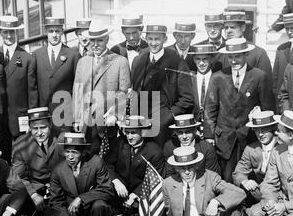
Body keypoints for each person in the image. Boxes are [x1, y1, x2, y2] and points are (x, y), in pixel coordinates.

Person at [204, 38, 275, 183]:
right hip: (224, 139)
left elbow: (268, 108)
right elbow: (210, 108)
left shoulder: (259, 76)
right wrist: (209, 136)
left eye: (237, 56)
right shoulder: (218, 77)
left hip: (249, 138)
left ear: (246, 54)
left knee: (250, 178)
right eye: (230, 56)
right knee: (227, 178)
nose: (233, 60)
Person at [163, 146, 245, 216]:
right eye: (182, 168)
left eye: (190, 167)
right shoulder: (168, 184)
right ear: (176, 168)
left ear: (196, 165)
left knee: (232, 206)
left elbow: (238, 193)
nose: (187, 172)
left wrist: (216, 201)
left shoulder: (209, 177)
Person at [72, 20, 131, 153]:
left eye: (100, 40)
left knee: (107, 162)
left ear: (107, 39)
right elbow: (77, 92)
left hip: (107, 123)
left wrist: (115, 114)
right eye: (92, 41)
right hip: (85, 124)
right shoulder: (83, 62)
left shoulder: (120, 61)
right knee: (87, 159)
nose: (95, 45)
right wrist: (76, 119)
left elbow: (124, 92)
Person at [131, 24, 194, 147]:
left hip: (165, 126)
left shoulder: (177, 63)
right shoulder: (138, 61)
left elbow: (187, 99)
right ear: (146, 39)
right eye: (150, 39)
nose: (153, 43)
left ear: (165, 39)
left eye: (157, 39)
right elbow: (134, 92)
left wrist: (167, 117)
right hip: (141, 123)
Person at [0, 15, 37, 162]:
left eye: (12, 32)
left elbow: (32, 92)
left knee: (20, 158)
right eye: (5, 32)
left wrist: (31, 120)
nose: (9, 36)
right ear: (0, 33)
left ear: (17, 33)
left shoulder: (27, 58)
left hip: (19, 119)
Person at [45, 132, 115, 216]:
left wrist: (81, 198)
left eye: (74, 152)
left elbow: (107, 189)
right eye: (67, 152)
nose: (70, 157)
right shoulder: (58, 169)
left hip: (92, 207)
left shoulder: (96, 162)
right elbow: (56, 200)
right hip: (72, 211)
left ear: (83, 152)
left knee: (100, 206)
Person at [106, 115, 164, 214]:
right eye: (127, 132)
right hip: (119, 189)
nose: (129, 137)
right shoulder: (119, 143)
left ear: (143, 132)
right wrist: (116, 181)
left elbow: (154, 178)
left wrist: (135, 194)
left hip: (142, 192)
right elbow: (107, 165)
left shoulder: (154, 151)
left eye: (133, 133)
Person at [12, 107, 63, 213]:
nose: (39, 133)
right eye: (35, 128)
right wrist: (33, 194)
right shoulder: (20, 145)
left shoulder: (61, 138)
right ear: (29, 128)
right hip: (36, 188)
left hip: (61, 187)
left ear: (50, 125)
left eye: (43, 127)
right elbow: (19, 177)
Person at [33, 17, 79, 124]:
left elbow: (77, 87)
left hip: (64, 113)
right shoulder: (36, 55)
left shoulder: (73, 55)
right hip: (43, 113)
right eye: (51, 31)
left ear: (62, 32)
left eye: (57, 31)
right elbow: (33, 86)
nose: (54, 35)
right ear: (46, 33)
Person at [232, 110, 279, 205]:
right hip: (257, 192)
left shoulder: (281, 147)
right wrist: (245, 181)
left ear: (273, 128)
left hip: (278, 193)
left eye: (264, 129)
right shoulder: (251, 148)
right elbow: (238, 173)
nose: (260, 134)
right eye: (257, 130)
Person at [217, 11, 273, 81]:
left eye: (232, 27)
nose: (228, 31)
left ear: (243, 28)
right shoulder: (221, 53)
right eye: (226, 28)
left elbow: (266, 83)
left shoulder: (258, 53)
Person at [187, 44, 217, 122]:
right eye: (198, 59)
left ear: (212, 59)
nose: (201, 63)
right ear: (193, 59)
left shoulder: (218, 79)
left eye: (205, 59)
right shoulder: (189, 79)